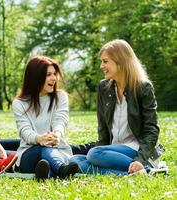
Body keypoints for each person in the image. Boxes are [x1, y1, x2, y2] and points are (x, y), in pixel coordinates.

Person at [70, 39, 161, 175]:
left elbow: (151, 129)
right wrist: (99, 153)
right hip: (111, 149)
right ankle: (139, 173)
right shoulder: (104, 88)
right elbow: (103, 130)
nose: (101, 66)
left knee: (94, 154)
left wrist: (140, 160)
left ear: (121, 61)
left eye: (105, 61)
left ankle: (143, 166)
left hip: (135, 149)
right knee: (74, 160)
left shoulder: (143, 87)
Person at [12, 55, 79, 179]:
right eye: (48, 75)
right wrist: (39, 139)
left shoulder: (61, 97)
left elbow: (60, 119)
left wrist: (57, 135)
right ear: (35, 77)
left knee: (45, 161)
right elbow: (24, 130)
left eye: (54, 74)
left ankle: (45, 172)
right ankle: (61, 169)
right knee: (44, 147)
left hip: (57, 149)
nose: (53, 78)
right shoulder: (19, 103)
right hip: (29, 154)